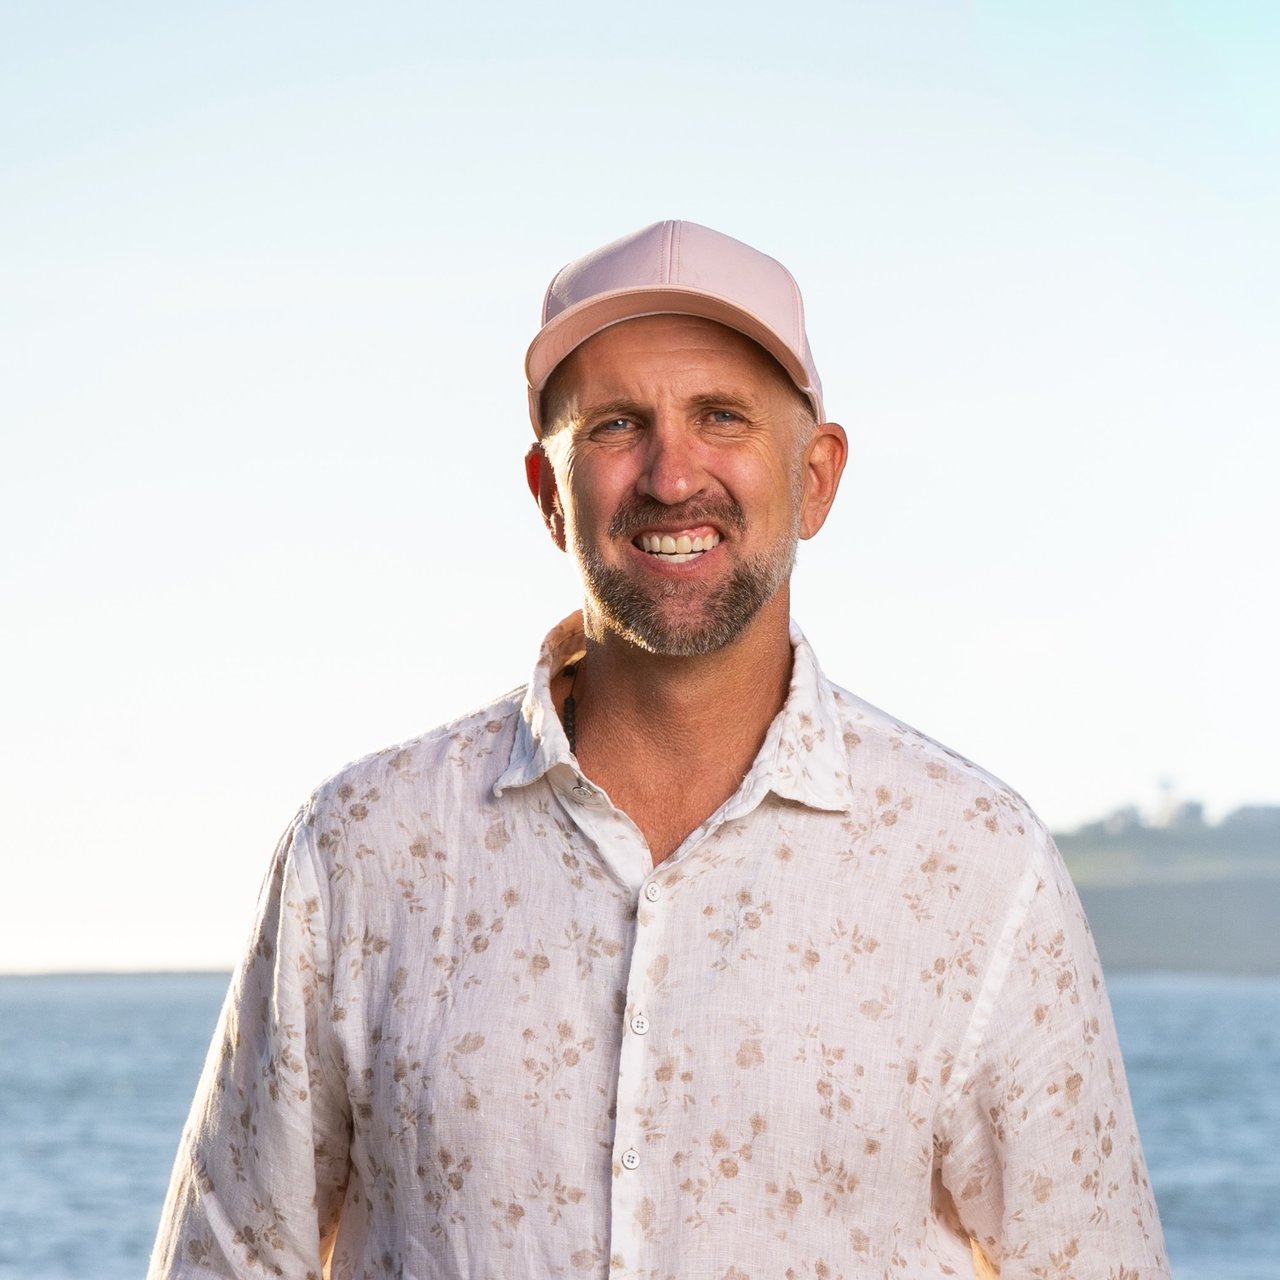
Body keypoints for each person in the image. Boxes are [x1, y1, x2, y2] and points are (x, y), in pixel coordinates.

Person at [150, 221, 1169, 1279]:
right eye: (615, 425)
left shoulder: (974, 862)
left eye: (720, 417)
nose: (672, 475)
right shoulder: (364, 848)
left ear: (815, 477)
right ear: (549, 496)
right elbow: (225, 1260)